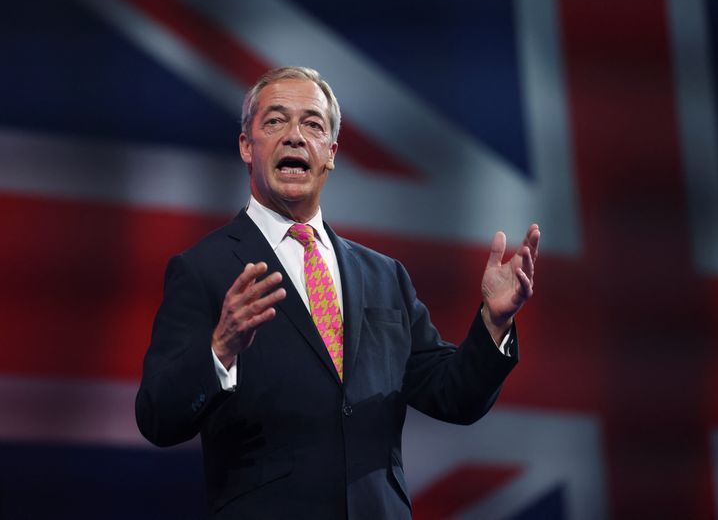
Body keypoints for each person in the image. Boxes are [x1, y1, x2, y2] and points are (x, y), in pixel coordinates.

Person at [136, 66, 540, 519]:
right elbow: (158, 417)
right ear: (247, 146)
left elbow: (454, 396)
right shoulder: (204, 269)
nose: (294, 136)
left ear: (330, 152)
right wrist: (220, 349)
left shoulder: (385, 275)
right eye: (274, 121)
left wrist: (494, 322)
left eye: (312, 124)